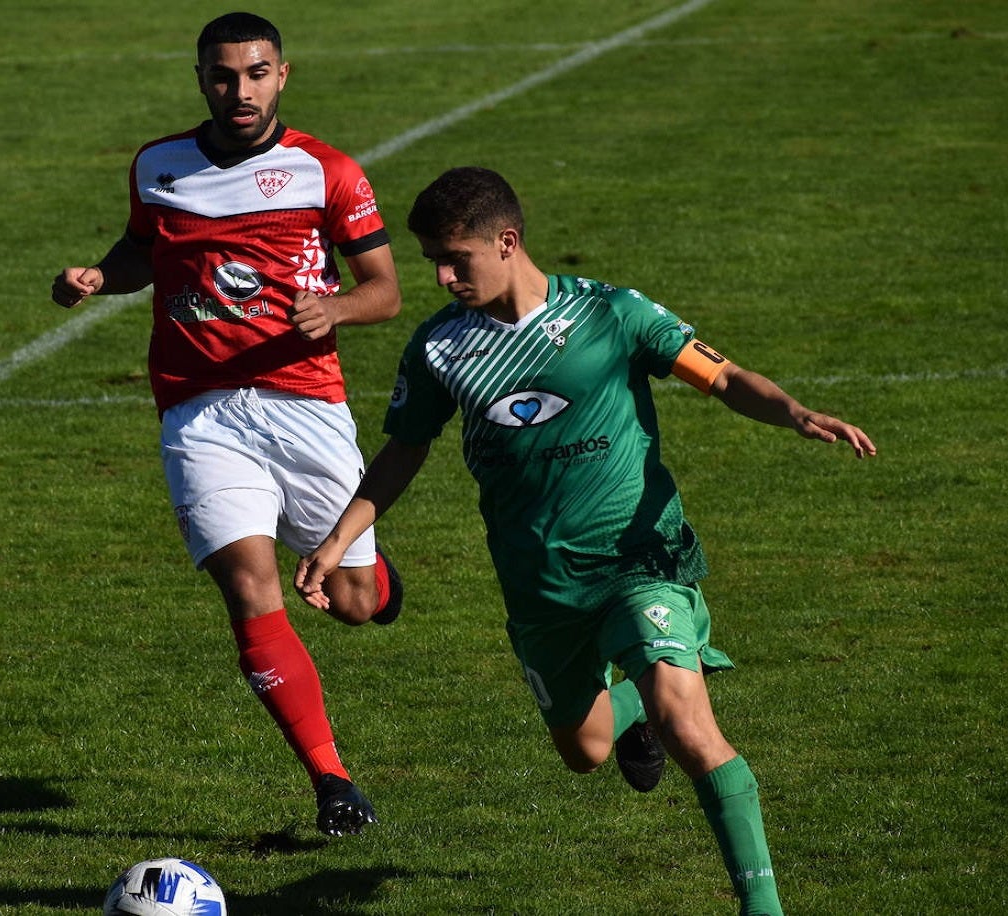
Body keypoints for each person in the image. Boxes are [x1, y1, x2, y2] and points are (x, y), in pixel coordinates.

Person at [296, 166, 876, 912]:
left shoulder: (611, 313)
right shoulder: (439, 349)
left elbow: (721, 376)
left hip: (637, 558)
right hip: (538, 581)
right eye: (432, 261)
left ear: (506, 242)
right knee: (586, 750)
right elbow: (404, 450)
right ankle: (629, 703)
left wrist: (791, 410)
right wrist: (339, 538)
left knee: (691, 727)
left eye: (454, 258)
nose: (440, 277)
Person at [50, 12, 402, 837]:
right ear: (200, 78)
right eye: (221, 75)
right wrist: (101, 275)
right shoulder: (158, 164)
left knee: (351, 602)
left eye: (254, 74)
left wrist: (338, 308)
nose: (237, 90)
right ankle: (331, 781)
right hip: (198, 406)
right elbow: (144, 249)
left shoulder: (329, 173)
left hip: (304, 402)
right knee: (250, 587)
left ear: (283, 75)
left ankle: (379, 586)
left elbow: (384, 289)